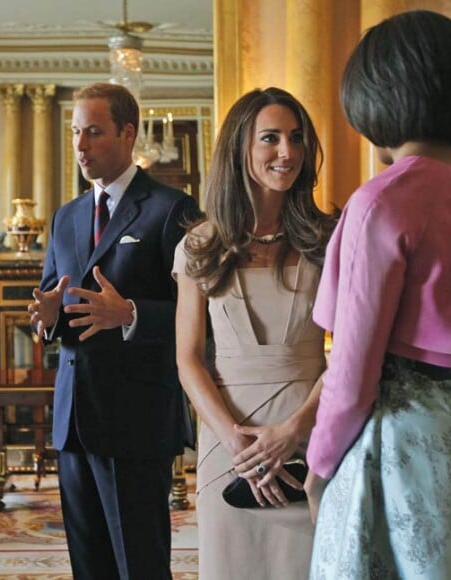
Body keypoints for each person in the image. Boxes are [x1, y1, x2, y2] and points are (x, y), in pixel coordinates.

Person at [27, 82, 199, 580]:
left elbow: (202, 316)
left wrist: (130, 315)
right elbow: (51, 300)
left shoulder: (173, 209)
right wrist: (47, 314)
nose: (80, 145)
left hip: (137, 419)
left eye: (93, 132)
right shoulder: (66, 216)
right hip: (73, 417)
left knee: (140, 565)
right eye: (76, 132)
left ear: (128, 133)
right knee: (90, 567)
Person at [304, 10, 451, 579]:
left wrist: (318, 467)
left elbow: (353, 371)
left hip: (405, 447)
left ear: (378, 95)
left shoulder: (382, 202)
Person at [173, 87, 338, 579]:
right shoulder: (199, 246)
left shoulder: (330, 240)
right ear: (240, 148)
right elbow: (188, 360)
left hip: (309, 440)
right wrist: (235, 443)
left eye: (296, 139)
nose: (286, 152)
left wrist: (293, 431)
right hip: (229, 449)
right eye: (270, 138)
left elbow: (352, 353)